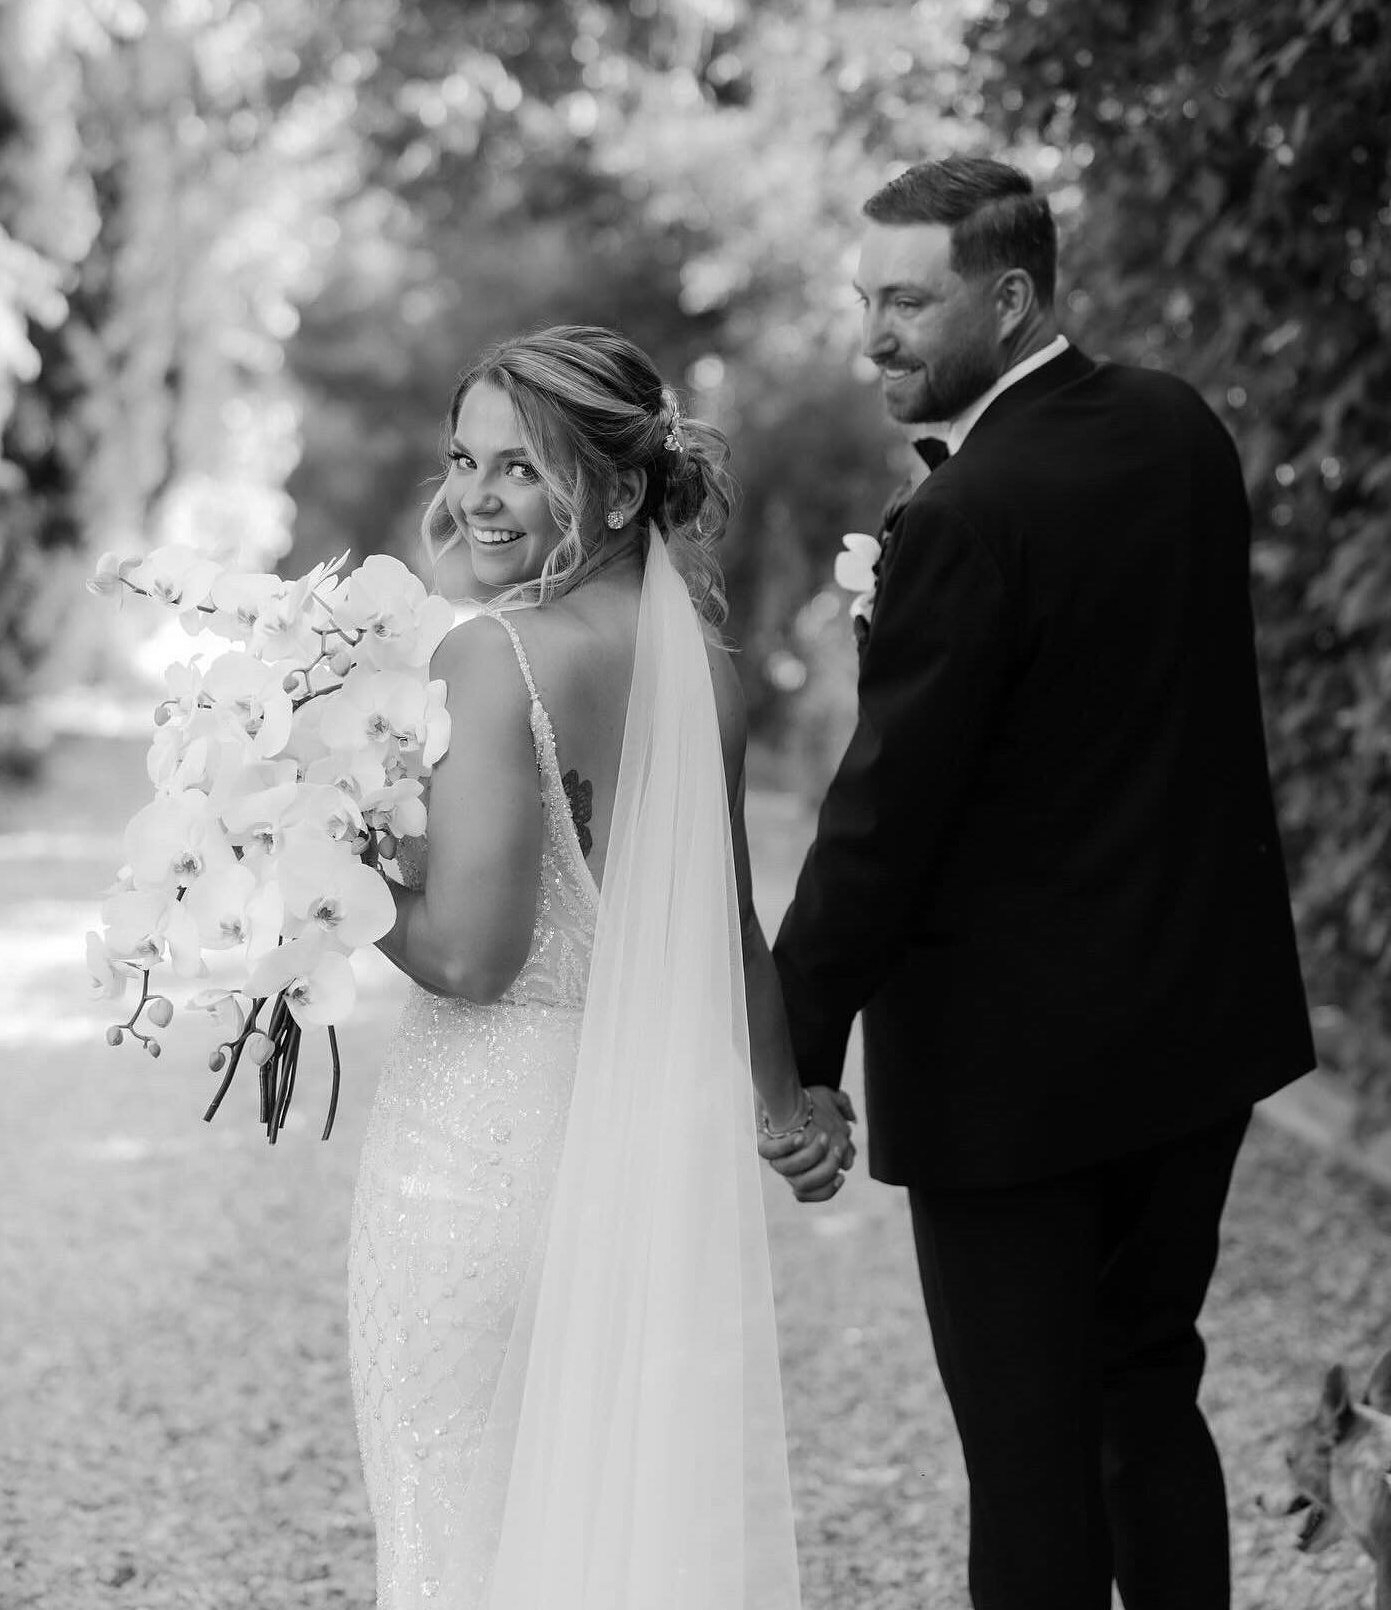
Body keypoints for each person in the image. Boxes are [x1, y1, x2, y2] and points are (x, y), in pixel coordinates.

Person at [763, 157, 1315, 1609]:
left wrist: (795, 1054)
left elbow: (885, 822)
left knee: (1028, 1467)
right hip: (1197, 1036)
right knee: (1146, 1400)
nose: (874, 334)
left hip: (1019, 1087)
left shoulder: (965, 517)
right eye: (864, 299)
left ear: (1010, 299)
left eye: (908, 301)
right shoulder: (1178, 429)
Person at [346, 325, 833, 1609]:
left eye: (523, 467)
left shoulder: (494, 659)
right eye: (467, 460)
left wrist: (312, 861)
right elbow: (730, 931)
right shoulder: (704, 677)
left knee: (453, 1525)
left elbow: (467, 953)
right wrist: (786, 1117)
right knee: (602, 1539)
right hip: (634, 1162)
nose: (477, 497)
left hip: (477, 1159)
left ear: (618, 489)